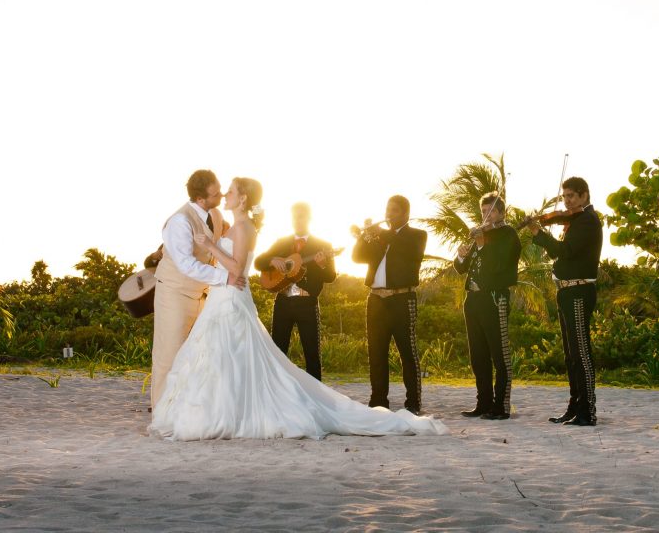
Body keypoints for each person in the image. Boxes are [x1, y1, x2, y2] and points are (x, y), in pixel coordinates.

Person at [149, 178, 447, 440]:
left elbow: (237, 270)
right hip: (226, 297)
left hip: (234, 295)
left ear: (242, 198)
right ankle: (221, 407)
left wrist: (211, 248)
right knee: (224, 357)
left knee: (244, 354)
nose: (225, 193)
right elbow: (259, 261)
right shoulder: (241, 226)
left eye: (231, 190)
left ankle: (234, 412)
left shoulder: (243, 227)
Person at [150, 170, 245, 408]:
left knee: (195, 356)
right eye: (216, 193)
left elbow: (217, 240)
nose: (221, 194)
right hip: (174, 293)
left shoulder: (215, 213)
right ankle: (161, 414)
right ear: (201, 198)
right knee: (168, 356)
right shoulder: (179, 222)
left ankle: (183, 411)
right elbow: (186, 265)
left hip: (203, 296)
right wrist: (227, 277)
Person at [528, 177, 603, 427]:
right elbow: (558, 252)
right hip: (567, 291)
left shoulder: (588, 221)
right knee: (571, 356)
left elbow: (565, 251)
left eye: (571, 196)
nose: (567, 201)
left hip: (580, 291)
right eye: (565, 197)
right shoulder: (574, 221)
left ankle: (587, 411)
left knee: (581, 352)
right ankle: (574, 407)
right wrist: (544, 234)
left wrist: (539, 233)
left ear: (584, 196)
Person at [351, 195, 427, 414]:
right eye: (387, 209)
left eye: (393, 210)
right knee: (376, 353)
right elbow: (357, 257)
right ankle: (378, 401)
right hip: (376, 299)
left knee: (407, 353)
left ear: (405, 213)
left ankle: (413, 402)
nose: (388, 214)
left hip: (402, 299)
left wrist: (381, 234)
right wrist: (364, 237)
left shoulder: (416, 236)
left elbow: (410, 251)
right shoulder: (380, 238)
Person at [454, 192, 522, 421]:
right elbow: (462, 268)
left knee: (499, 354)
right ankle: (482, 403)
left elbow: (499, 264)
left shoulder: (508, 234)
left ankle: (501, 405)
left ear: (501, 212)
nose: (486, 215)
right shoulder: (480, 236)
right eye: (483, 211)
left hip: (494, 298)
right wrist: (462, 256)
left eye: (490, 211)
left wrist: (482, 244)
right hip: (473, 299)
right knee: (478, 355)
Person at [254, 202, 337, 381]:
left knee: (311, 352)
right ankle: (277, 390)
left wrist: (322, 265)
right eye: (294, 217)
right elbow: (258, 262)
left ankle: (316, 397)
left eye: (301, 216)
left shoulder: (323, 245)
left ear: (309, 218)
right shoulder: (281, 242)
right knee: (278, 350)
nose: (297, 221)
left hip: (307, 303)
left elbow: (330, 276)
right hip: (283, 301)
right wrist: (272, 260)